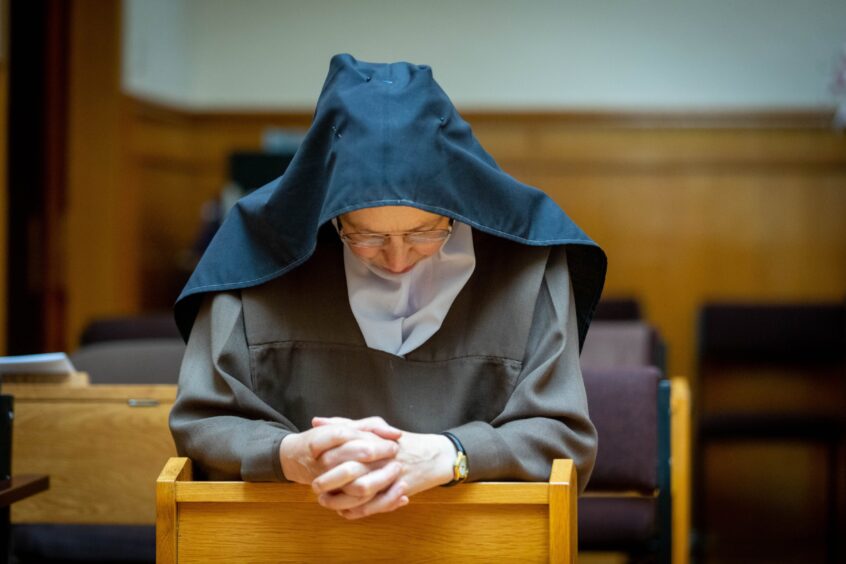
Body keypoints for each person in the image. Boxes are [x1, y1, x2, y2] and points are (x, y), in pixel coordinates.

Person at [170, 54, 607, 520]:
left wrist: (452, 454)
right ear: (328, 214)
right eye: (367, 236)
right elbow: (201, 422)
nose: (397, 259)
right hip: (293, 537)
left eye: (425, 233)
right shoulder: (253, 256)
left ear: (457, 207)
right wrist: (289, 455)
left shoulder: (529, 261)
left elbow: (564, 439)